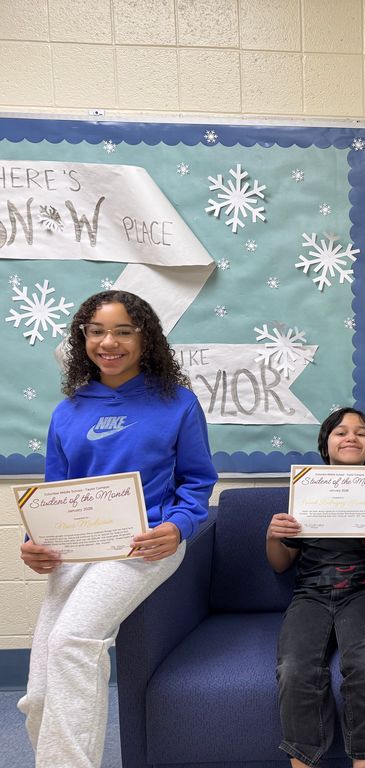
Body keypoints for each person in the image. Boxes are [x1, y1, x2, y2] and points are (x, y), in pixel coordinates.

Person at [18, 290, 217, 768]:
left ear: (145, 338)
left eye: (123, 331)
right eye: (97, 331)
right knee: (40, 689)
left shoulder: (178, 403)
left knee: (73, 644)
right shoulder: (68, 411)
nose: (109, 342)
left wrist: (179, 527)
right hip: (77, 551)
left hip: (146, 545)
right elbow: (55, 496)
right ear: (83, 338)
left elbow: (197, 482)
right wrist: (34, 543)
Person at [266, 407, 365, 768]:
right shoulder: (305, 490)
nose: (351, 437)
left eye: (361, 433)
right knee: (294, 668)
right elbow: (280, 564)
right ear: (326, 445)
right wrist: (272, 535)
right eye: (341, 432)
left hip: (364, 592)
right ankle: (304, 761)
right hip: (310, 594)